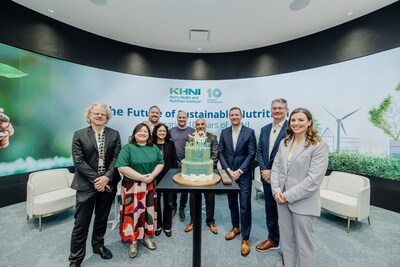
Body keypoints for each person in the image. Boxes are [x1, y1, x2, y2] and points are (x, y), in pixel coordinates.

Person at [271, 108, 329, 267]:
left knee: (304, 246)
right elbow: (275, 167)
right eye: (293, 120)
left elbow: (313, 180)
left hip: (303, 203)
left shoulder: (318, 146)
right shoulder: (285, 142)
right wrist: (276, 190)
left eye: (301, 120)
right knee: (287, 243)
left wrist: (286, 195)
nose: (296, 123)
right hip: (281, 200)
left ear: (309, 122)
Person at [68, 102, 121, 267]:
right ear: (89, 116)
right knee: (81, 223)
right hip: (86, 184)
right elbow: (79, 161)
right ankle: (75, 259)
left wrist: (106, 177)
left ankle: (98, 246)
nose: (99, 116)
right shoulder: (79, 134)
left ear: (107, 118)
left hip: (108, 184)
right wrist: (97, 179)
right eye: (96, 113)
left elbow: (116, 158)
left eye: (103, 114)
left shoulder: (114, 134)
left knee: (102, 218)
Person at [116, 123, 164, 258]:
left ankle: (147, 237)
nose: (143, 133)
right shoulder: (128, 148)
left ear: (149, 135)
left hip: (149, 186)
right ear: (134, 133)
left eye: (145, 132)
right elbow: (121, 166)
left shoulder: (153, 148)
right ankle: (133, 241)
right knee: (133, 216)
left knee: (148, 213)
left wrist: (152, 175)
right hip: (132, 187)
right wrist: (141, 177)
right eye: (139, 131)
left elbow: (161, 163)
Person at [218, 107, 256, 256]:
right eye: (232, 115)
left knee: (245, 205)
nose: (234, 117)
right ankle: (235, 228)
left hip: (244, 175)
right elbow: (221, 151)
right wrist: (227, 169)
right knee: (232, 203)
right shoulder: (224, 132)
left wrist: (239, 171)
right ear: (229, 117)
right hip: (229, 174)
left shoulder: (250, 132)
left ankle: (245, 238)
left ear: (241, 116)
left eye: (236, 115)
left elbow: (251, 153)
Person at [255, 98, 289, 253]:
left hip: (285, 178)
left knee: (287, 214)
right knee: (270, 210)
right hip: (267, 176)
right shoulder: (265, 129)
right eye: (274, 108)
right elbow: (260, 151)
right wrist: (264, 170)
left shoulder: (292, 128)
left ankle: (289, 247)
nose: (277, 111)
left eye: (280, 108)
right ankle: (273, 239)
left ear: (286, 110)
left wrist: (272, 172)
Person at [184, 118, 218, 235]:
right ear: (195, 126)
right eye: (197, 124)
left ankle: (210, 221)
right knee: (193, 198)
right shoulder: (190, 137)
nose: (200, 126)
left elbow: (214, 155)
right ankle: (193, 221)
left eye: (202, 124)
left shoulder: (212, 137)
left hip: (207, 173)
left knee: (210, 198)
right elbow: (189, 153)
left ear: (205, 125)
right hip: (193, 172)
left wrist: (206, 168)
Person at [152, 123, 178, 237]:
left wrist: (173, 175)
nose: (162, 133)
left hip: (168, 176)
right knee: (155, 202)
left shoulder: (170, 144)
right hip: (154, 176)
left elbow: (174, 160)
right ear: (156, 132)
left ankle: (167, 226)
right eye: (160, 131)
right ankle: (158, 225)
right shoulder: (151, 144)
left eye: (164, 131)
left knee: (168, 202)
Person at [170, 110, 195, 221]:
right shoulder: (171, 131)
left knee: (185, 188)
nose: (181, 119)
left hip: (187, 165)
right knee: (173, 187)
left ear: (187, 118)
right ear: (177, 118)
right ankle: (173, 207)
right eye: (180, 117)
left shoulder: (192, 131)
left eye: (183, 117)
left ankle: (182, 207)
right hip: (173, 164)